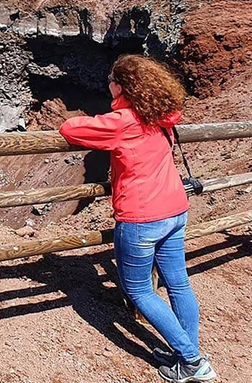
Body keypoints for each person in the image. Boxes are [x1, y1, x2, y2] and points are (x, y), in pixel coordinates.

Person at [59, 55, 216, 383]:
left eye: (112, 81)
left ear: (123, 86)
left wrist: (114, 107)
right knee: (178, 282)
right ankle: (185, 351)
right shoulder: (161, 114)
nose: (108, 85)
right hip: (175, 210)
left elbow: (70, 128)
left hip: (142, 217)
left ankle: (191, 360)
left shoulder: (123, 122)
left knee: (139, 289)